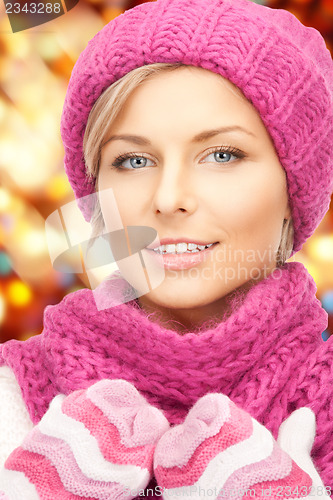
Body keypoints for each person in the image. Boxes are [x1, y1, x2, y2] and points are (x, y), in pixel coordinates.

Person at [0, 0, 332, 497]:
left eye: (222, 155)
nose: (169, 198)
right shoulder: (11, 394)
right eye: (133, 160)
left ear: (294, 190)